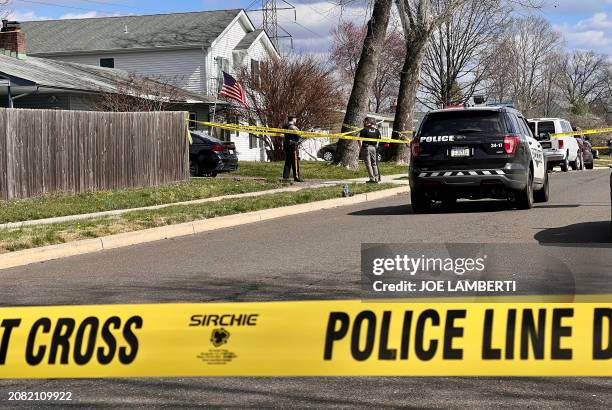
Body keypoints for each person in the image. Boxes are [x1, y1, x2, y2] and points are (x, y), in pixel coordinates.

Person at [359, 117, 381, 183]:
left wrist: (360, 148)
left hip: (366, 148)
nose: (363, 123)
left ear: (367, 122)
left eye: (364, 121)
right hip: (374, 148)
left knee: (368, 164)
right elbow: (378, 140)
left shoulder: (364, 130)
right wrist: (376, 146)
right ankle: (376, 178)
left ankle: (372, 179)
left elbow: (360, 140)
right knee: (374, 163)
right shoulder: (376, 130)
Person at [283, 115, 303, 182]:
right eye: (295, 119)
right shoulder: (293, 127)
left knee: (288, 161)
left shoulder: (285, 126)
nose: (296, 120)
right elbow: (299, 135)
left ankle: (285, 177)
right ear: (293, 119)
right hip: (293, 146)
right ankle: (296, 177)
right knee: (295, 161)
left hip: (286, 145)